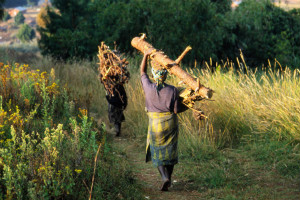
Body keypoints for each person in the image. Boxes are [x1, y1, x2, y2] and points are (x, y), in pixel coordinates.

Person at [140, 49, 188, 191]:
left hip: (155, 125)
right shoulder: (173, 90)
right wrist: (188, 104)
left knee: (157, 150)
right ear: (166, 75)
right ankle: (170, 178)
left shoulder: (148, 87)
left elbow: (142, 72)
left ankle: (164, 177)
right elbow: (175, 110)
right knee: (170, 150)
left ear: (154, 75)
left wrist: (145, 55)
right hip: (170, 124)